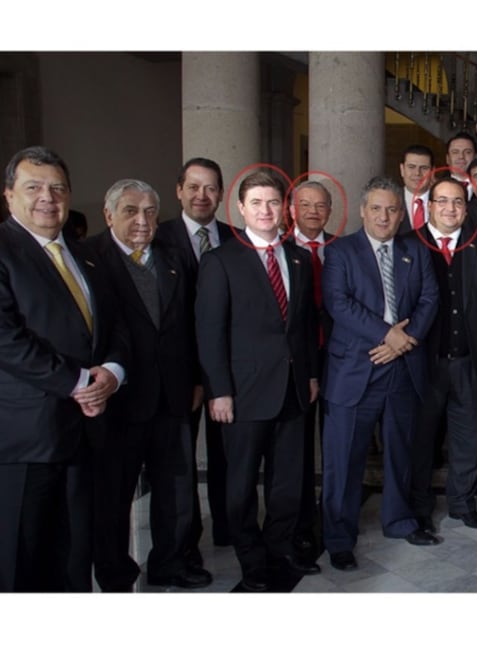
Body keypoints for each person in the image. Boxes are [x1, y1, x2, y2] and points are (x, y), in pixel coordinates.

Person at [0, 146, 127, 592]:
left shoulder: (84, 254)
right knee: (22, 559)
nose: (47, 198)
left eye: (57, 188)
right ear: (9, 194)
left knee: (73, 554)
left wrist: (112, 372)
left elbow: (113, 325)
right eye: (33, 187)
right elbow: (6, 340)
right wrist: (78, 383)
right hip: (26, 437)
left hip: (85, 434)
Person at [195, 169, 321, 592]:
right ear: (241, 209)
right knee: (241, 486)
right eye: (256, 203)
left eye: (272, 202)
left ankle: (280, 548)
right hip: (243, 395)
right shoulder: (220, 261)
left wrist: (311, 375)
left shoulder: (299, 259)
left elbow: (303, 327)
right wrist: (220, 391)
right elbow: (209, 331)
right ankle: (251, 560)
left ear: (284, 208)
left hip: (292, 390)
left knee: (288, 484)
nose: (266, 210)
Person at [86, 179, 210, 591]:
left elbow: (190, 327)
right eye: (130, 211)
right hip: (119, 399)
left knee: (176, 488)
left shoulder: (173, 259)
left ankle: (169, 564)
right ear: (109, 216)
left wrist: (195, 378)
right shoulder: (90, 259)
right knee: (113, 494)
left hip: (173, 394)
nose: (142, 220)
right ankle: (115, 572)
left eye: (150, 212)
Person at [321, 177, 439, 573]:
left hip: (402, 366)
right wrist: (386, 334)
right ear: (361, 210)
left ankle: (399, 520)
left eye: (391, 209)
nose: (384, 216)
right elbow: (338, 303)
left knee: (401, 450)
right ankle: (339, 537)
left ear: (401, 212)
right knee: (344, 457)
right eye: (376, 208)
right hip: (356, 367)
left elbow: (429, 298)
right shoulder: (340, 251)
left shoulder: (415, 251)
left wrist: (403, 341)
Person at [410, 178, 477, 530]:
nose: (450, 209)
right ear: (430, 205)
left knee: (468, 435)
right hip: (422, 362)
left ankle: (462, 504)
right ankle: (419, 510)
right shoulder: (410, 244)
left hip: (470, 359)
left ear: (466, 209)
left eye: (457, 203)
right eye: (443, 202)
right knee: (421, 439)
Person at [156, 157, 233, 553]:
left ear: (221, 193)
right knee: (180, 463)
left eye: (211, 188)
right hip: (179, 372)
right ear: (179, 190)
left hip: (228, 371)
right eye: (194, 187)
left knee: (228, 456)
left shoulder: (236, 237)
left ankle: (228, 528)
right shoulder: (157, 237)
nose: (202, 196)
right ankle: (182, 546)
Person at [286, 180, 338, 558]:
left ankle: (334, 516)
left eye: (321, 206)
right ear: (292, 209)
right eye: (306, 205)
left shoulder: (342, 248)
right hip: (295, 362)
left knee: (336, 442)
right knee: (298, 448)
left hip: (338, 358)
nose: (314, 212)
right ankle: (300, 522)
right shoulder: (279, 249)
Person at [399, 144, 435, 233]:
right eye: (411, 167)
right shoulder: (391, 200)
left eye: (424, 168)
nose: (417, 173)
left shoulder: (442, 202)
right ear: (402, 169)